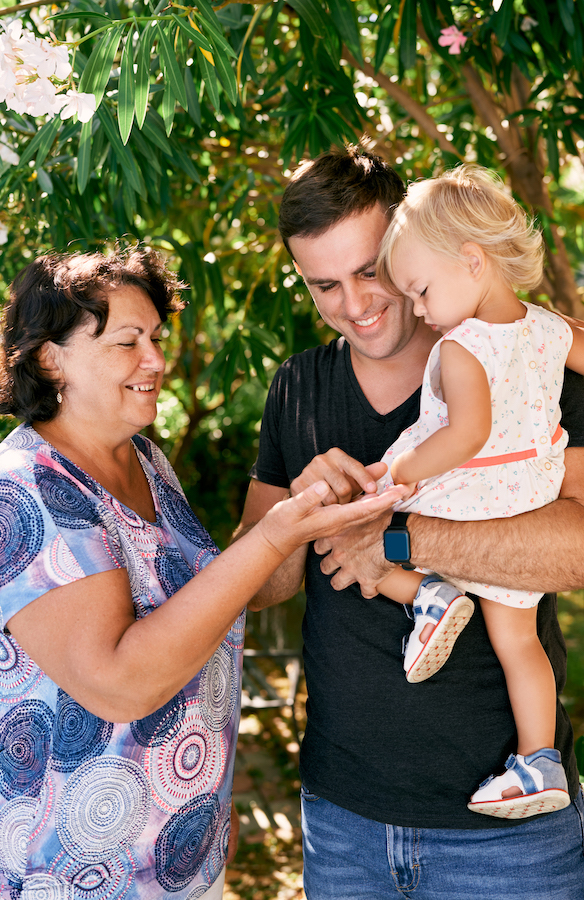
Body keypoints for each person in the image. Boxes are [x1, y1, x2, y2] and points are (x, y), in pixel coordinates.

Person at [0, 247, 396, 899]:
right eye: (127, 342)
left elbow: (220, 600)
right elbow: (120, 684)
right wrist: (276, 531)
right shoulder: (22, 491)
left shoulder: (146, 460)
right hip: (75, 876)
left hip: (180, 862)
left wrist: (303, 507)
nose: (155, 360)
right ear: (48, 357)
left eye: (154, 337)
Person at [237, 145, 584, 900]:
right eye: (323, 284)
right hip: (344, 821)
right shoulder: (298, 385)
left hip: (509, 840)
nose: (354, 303)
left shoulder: (521, 359)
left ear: (410, 245)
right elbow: (258, 588)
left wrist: (396, 538)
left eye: (370, 271)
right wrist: (298, 513)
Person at [367, 165, 584, 818]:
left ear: (472, 261)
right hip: (528, 496)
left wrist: (397, 476)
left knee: (364, 536)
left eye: (423, 291)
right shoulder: (548, 327)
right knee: (521, 643)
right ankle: (539, 760)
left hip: (467, 491)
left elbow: (465, 435)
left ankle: (428, 596)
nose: (422, 311)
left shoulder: (462, 347)